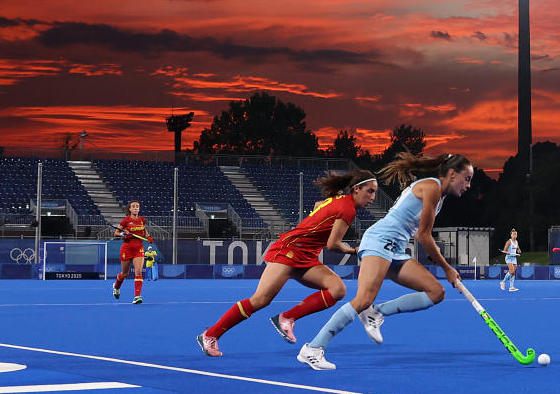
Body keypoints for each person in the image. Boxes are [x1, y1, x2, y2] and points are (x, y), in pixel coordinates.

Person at [297, 153, 473, 371]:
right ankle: (313, 349)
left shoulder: (438, 195)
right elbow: (424, 236)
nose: (469, 185)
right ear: (453, 174)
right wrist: (447, 269)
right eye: (467, 178)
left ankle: (377, 312)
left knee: (436, 292)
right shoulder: (432, 188)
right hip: (379, 241)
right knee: (362, 299)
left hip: (395, 249)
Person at [197, 170, 378, 357]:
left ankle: (287, 317)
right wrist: (355, 251)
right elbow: (333, 245)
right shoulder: (348, 209)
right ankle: (210, 335)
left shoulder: (338, 199)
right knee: (260, 300)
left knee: (337, 289)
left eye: (375, 193)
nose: (372, 197)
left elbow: (318, 205)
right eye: (370, 191)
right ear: (356, 189)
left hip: (305, 255)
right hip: (288, 251)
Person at [113, 201, 150, 304]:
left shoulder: (142, 220)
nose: (135, 208)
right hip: (127, 248)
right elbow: (116, 233)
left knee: (138, 272)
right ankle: (116, 287)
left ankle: (137, 296)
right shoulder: (125, 221)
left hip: (139, 248)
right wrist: (123, 234)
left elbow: (144, 231)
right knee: (125, 273)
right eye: (133, 206)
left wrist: (148, 237)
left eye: (137, 206)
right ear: (129, 209)